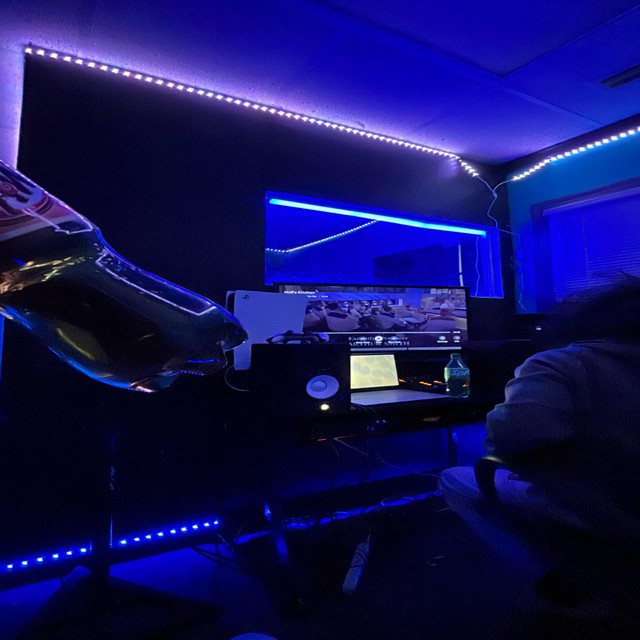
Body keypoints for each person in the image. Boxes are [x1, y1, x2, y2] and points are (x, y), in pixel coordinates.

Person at [439, 274, 640, 607]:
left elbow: (507, 440)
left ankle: (552, 585)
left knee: (454, 478)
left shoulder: (563, 363)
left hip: (608, 507)